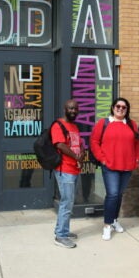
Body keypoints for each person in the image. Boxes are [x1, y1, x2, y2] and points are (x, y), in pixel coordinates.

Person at [90, 97, 139, 241]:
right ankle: (107, 225)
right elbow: (94, 141)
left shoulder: (131, 124)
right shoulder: (103, 123)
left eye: (124, 107)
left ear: (127, 110)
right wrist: (102, 159)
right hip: (110, 165)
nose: (120, 109)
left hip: (127, 166)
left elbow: (137, 143)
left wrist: (136, 160)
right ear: (113, 107)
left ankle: (114, 220)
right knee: (112, 194)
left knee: (119, 194)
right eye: (118, 106)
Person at [52, 99, 85, 249]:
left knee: (68, 200)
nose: (73, 111)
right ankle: (61, 236)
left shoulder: (74, 126)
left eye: (76, 109)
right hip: (64, 169)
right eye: (70, 108)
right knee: (67, 201)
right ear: (65, 109)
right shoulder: (58, 125)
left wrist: (82, 154)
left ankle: (62, 230)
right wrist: (76, 157)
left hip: (74, 168)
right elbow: (60, 144)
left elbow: (80, 144)